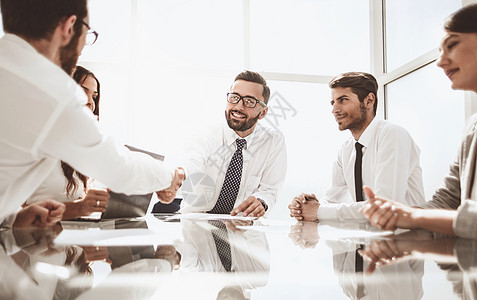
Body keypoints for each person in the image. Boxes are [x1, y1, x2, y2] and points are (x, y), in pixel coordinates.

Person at [0, 0, 184, 228]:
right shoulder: (50, 91)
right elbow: (118, 167)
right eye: (87, 36)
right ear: (69, 27)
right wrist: (169, 176)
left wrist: (11, 216)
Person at [361, 4, 477, 239]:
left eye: (452, 45)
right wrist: (397, 215)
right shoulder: (472, 127)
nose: (440, 61)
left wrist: (412, 217)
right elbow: (448, 200)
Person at [289, 72, 425, 222]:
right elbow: (332, 200)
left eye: (343, 100)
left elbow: (383, 208)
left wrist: (319, 211)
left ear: (369, 101)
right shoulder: (346, 149)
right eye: (333, 102)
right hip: (368, 240)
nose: (334, 110)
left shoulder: (393, 135)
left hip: (406, 239)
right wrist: (306, 206)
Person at [177, 70, 287, 218]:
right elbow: (193, 163)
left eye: (249, 101)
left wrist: (262, 202)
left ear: (263, 113)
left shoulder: (273, 141)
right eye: (234, 97)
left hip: (242, 228)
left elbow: (270, 190)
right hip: (197, 223)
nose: (238, 107)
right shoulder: (207, 133)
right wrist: (181, 174)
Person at [25, 66, 110, 220]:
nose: (91, 102)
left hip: (69, 239)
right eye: (83, 92)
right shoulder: (32, 142)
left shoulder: (80, 151)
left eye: (94, 97)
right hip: (30, 240)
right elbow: (13, 213)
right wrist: (78, 208)